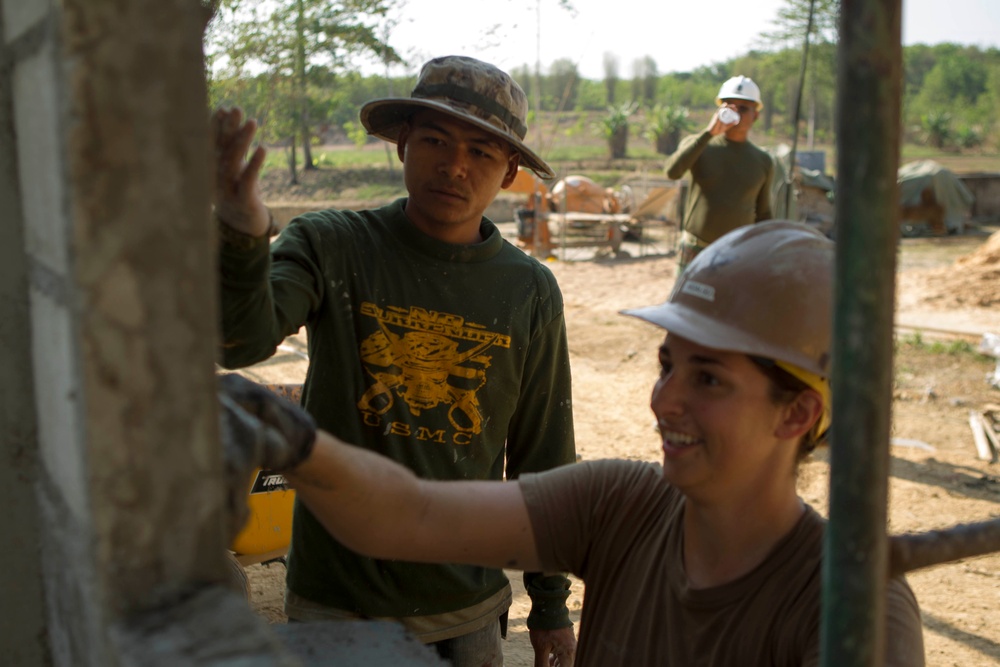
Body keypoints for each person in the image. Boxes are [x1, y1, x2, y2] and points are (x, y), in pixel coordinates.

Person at [218, 220, 926, 667]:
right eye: (666, 363)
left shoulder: (849, 604)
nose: (663, 399)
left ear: (797, 412)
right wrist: (289, 438)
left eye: (708, 378)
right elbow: (405, 513)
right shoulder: (620, 504)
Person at [213, 55, 578, 666]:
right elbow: (239, 341)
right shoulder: (333, 244)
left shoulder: (529, 291)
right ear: (403, 141)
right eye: (435, 139)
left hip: (467, 605)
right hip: (339, 603)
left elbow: (543, 453)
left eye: (482, 153)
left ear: (510, 171)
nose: (455, 166)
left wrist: (549, 603)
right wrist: (244, 236)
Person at [664, 75, 774, 274]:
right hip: (695, 250)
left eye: (743, 108)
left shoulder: (762, 161)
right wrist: (708, 133)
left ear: (755, 115)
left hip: (737, 253)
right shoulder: (699, 145)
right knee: (684, 305)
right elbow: (672, 172)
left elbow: (764, 213)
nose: (736, 114)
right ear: (719, 110)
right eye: (729, 107)